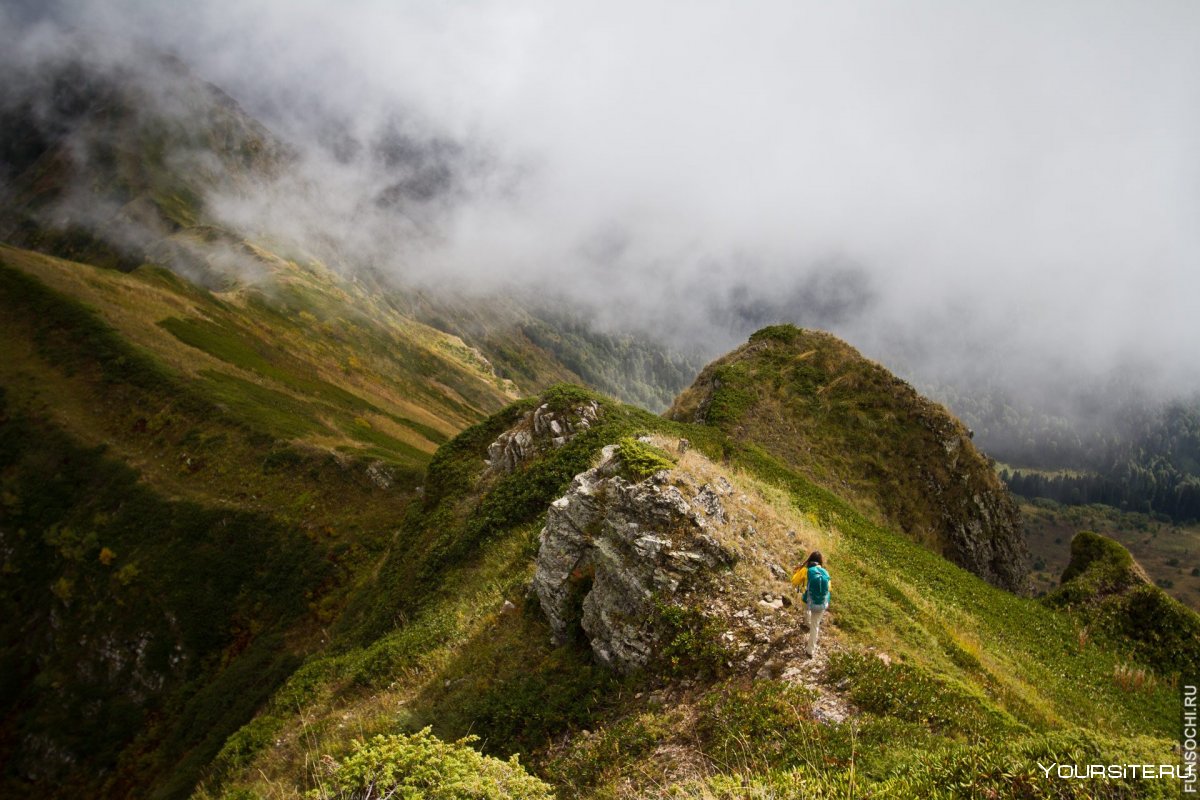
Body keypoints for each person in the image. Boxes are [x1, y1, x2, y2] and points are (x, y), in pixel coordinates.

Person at [792, 550, 831, 657]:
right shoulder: (825, 572)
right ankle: (810, 650)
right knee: (815, 625)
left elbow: (794, 582)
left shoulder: (805, 570)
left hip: (807, 599)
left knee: (806, 606)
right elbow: (829, 588)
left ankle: (806, 622)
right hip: (821, 603)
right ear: (820, 561)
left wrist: (796, 572)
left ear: (810, 559)